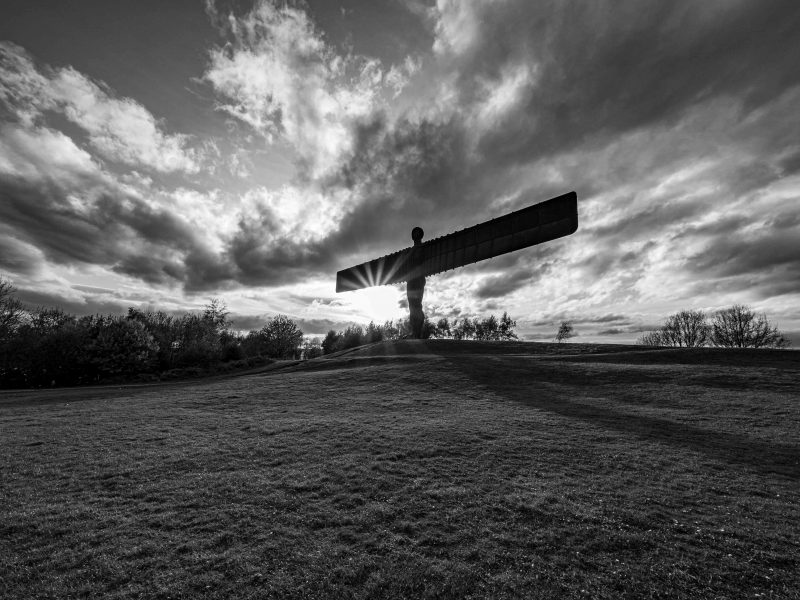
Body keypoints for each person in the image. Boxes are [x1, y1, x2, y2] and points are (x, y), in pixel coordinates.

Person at [407, 227, 426, 339]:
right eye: (414, 233)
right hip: (410, 280)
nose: (416, 235)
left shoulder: (424, 247)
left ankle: (418, 331)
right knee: (411, 305)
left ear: (421, 235)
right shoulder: (410, 251)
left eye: (418, 233)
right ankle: (414, 331)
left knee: (417, 304)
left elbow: (421, 261)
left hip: (418, 278)